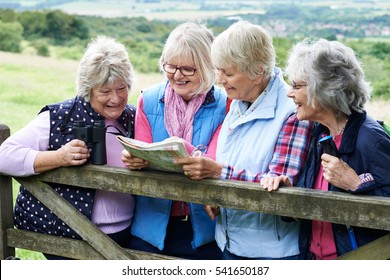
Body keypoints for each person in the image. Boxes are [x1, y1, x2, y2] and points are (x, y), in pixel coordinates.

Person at [175, 21, 313, 260]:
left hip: (272, 253)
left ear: (257, 72)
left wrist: (218, 172)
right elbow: (231, 163)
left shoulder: (292, 112)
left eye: (228, 73)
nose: (219, 79)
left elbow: (280, 185)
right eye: (218, 70)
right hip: (230, 244)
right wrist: (215, 193)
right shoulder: (239, 100)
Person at [0, 36, 136, 259]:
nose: (115, 98)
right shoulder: (60, 117)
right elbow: (3, 156)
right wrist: (58, 157)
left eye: (122, 88)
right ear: (88, 89)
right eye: (104, 91)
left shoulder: (133, 117)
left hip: (126, 236)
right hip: (68, 237)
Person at [121, 22, 227, 260]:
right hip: (151, 226)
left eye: (188, 69)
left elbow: (212, 162)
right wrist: (135, 159)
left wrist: (181, 148)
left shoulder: (226, 104)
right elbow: (144, 152)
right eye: (171, 66)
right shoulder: (147, 100)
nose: (177, 75)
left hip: (204, 230)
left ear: (207, 66)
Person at [282, 38, 390, 259]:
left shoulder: (372, 139)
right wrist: (289, 188)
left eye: (297, 86)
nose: (289, 93)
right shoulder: (319, 134)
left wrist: (356, 184)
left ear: (325, 88)